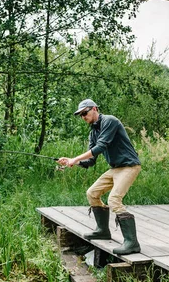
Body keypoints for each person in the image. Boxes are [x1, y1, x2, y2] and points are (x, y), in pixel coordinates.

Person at [57, 99, 141, 255]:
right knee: (92, 193)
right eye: (80, 115)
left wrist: (75, 158)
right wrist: (71, 161)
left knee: (114, 199)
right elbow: (90, 161)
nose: (83, 117)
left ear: (94, 109)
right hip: (115, 168)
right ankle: (103, 230)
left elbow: (101, 146)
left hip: (129, 166)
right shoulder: (93, 132)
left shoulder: (110, 121)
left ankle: (132, 243)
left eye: (85, 113)